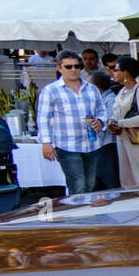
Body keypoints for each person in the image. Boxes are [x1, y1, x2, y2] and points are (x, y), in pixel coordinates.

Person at [35, 51, 113, 195]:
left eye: (77, 66)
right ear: (59, 68)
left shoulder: (91, 89)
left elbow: (102, 111)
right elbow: (43, 118)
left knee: (90, 185)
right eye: (68, 67)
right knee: (78, 185)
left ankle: (85, 214)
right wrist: (46, 142)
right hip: (67, 145)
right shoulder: (51, 91)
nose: (73, 70)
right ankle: (77, 215)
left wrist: (101, 122)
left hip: (91, 144)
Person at [107, 56, 139, 186]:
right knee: (126, 176)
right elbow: (117, 113)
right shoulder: (122, 91)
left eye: (116, 69)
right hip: (122, 137)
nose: (113, 72)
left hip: (138, 137)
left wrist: (120, 123)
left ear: (126, 72)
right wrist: (112, 121)